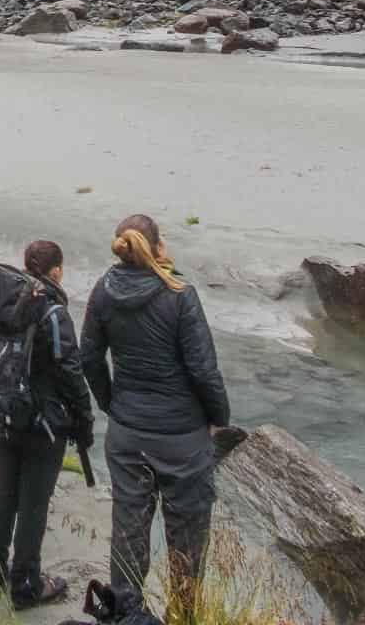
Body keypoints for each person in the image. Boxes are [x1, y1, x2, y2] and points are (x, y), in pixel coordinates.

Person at [82, 215, 229, 614]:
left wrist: (112, 403)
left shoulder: (103, 292)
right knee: (187, 541)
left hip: (128, 434)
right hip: (183, 439)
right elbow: (203, 370)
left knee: (128, 533)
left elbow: (89, 358)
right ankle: (182, 615)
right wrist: (220, 418)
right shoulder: (180, 293)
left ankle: (124, 615)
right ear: (158, 246)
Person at [0, 240, 95, 606]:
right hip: (43, 426)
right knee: (33, 506)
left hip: (3, 413)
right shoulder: (52, 312)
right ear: (56, 271)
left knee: (5, 492)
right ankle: (25, 585)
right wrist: (85, 419)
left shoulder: (5, 301)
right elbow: (71, 373)